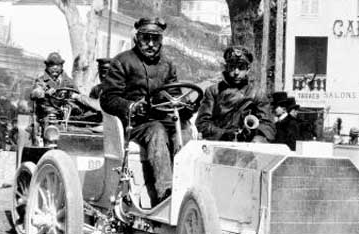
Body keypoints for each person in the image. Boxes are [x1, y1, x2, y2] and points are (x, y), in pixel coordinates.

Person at [101, 17, 191, 205]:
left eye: (155, 39)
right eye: (146, 38)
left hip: (162, 119)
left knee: (184, 130)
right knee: (157, 130)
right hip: (135, 125)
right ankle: (165, 193)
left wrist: (186, 106)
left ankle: (187, 189)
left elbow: (174, 94)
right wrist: (131, 106)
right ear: (137, 38)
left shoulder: (167, 65)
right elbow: (108, 98)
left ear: (161, 41)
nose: (151, 44)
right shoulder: (122, 61)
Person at [196, 46, 274, 143]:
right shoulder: (213, 91)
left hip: (247, 148)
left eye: (241, 67)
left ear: (248, 70)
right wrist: (223, 134)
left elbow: (267, 125)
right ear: (226, 68)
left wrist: (258, 138)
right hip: (219, 145)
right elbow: (202, 123)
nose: (236, 72)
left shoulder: (257, 94)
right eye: (232, 67)